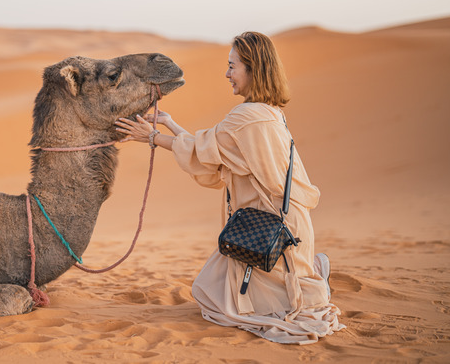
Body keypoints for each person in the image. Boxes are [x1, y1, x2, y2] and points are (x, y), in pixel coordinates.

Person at [115, 31, 344, 344]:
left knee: (220, 304)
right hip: (283, 226)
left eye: (232, 66)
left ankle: (313, 282)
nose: (227, 74)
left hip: (269, 233)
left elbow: (204, 151)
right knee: (213, 287)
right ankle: (310, 274)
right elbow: (213, 150)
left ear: (253, 69)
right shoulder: (268, 113)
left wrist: (152, 137)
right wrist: (169, 123)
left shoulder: (246, 117)